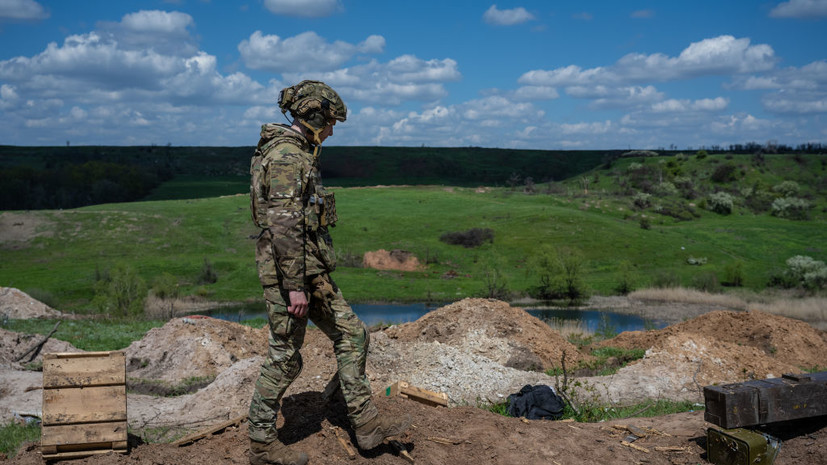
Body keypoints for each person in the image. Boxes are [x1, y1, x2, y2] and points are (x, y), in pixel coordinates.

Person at [247, 80, 410, 465]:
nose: (333, 130)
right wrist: (295, 289)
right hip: (293, 276)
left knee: (353, 335)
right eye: (331, 122)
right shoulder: (287, 156)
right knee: (286, 356)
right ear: (314, 117)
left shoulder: (299, 152)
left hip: (310, 271)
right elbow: (284, 227)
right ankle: (260, 444)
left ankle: (365, 425)